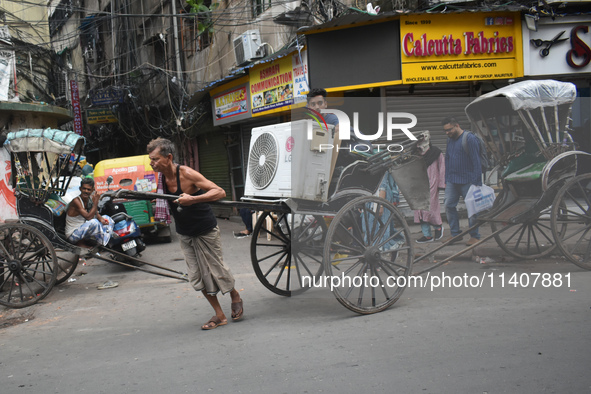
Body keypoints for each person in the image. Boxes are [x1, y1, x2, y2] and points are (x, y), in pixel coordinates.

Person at [147, 137, 244, 330]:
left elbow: (220, 192)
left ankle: (235, 295)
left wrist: (193, 199)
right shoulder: (161, 179)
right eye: (150, 159)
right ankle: (219, 314)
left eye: (156, 159)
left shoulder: (187, 173)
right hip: (185, 232)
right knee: (197, 275)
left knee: (218, 269)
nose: (152, 163)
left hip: (205, 229)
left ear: (169, 157)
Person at [441, 117, 482, 246]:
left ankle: (474, 236)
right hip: (453, 180)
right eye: (445, 131)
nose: (447, 133)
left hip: (468, 180)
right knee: (448, 205)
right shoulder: (450, 139)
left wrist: (477, 182)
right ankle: (455, 234)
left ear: (457, 125)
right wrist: (447, 178)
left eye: (449, 129)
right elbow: (447, 158)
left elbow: (477, 161)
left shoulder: (470, 138)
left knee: (472, 209)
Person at [414, 131, 445, 243]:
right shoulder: (415, 152)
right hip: (418, 184)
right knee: (419, 209)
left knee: (430, 208)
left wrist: (441, 183)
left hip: (432, 182)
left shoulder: (436, 152)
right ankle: (427, 235)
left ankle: (438, 227)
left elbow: (442, 168)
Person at [65, 177, 114, 246]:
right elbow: (89, 217)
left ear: (92, 190)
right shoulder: (76, 201)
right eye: (84, 188)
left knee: (107, 218)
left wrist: (101, 219)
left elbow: (95, 213)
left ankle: (103, 241)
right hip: (73, 234)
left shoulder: (89, 199)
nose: (86, 191)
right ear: (80, 189)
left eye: (88, 189)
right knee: (94, 222)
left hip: (83, 231)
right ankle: (102, 241)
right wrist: (96, 201)